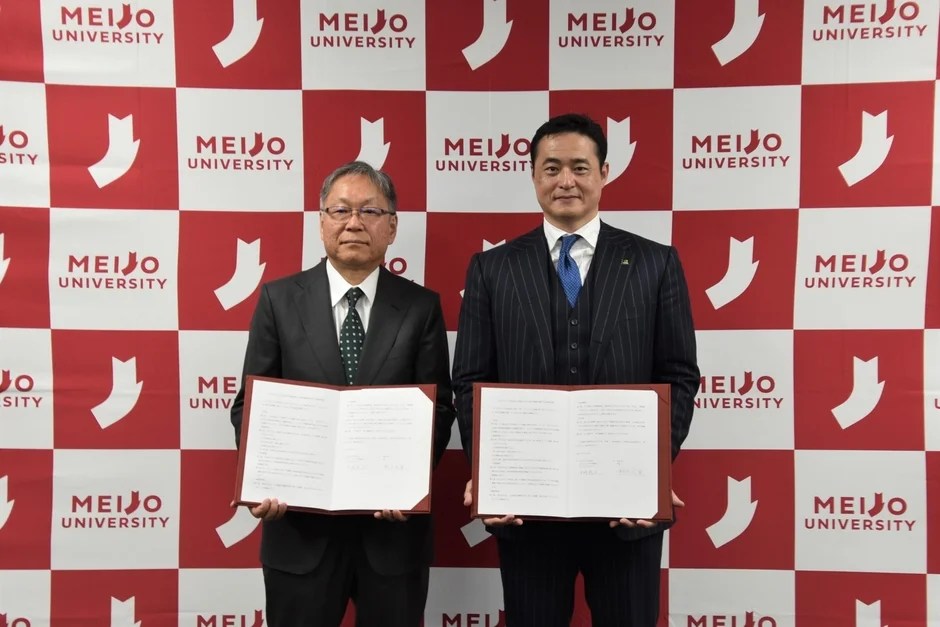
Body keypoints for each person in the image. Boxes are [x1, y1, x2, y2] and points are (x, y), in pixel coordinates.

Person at [453, 114, 700, 627]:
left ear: (604, 173)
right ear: (533, 176)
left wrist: (651, 473)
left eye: (580, 167)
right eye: (552, 168)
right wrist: (490, 473)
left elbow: (679, 374)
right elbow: (471, 381)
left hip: (626, 511)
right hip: (527, 511)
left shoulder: (655, 263)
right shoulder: (492, 269)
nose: (566, 180)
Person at [230, 160, 456, 627]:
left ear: (392, 227)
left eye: (370, 211)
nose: (354, 223)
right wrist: (264, 480)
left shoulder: (421, 307)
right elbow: (250, 406)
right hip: (299, 532)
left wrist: (408, 486)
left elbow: (438, 411)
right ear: (321, 223)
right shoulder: (278, 300)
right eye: (340, 210)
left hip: (393, 536)